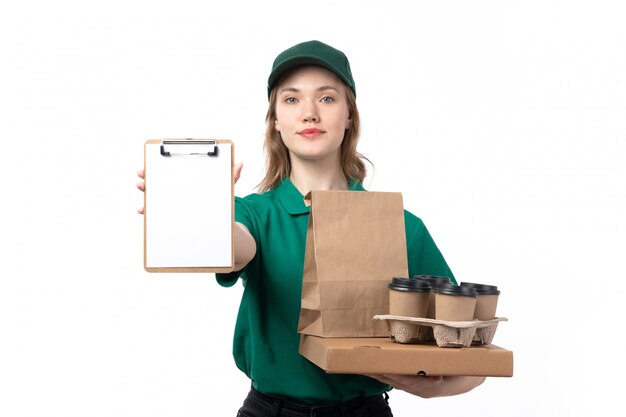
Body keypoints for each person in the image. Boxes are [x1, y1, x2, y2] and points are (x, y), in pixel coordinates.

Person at [137, 40, 485, 417]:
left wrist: (437, 389)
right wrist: (201, 215)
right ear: (275, 121)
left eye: (327, 98)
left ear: (350, 115)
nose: (309, 114)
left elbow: (470, 349)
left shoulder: (401, 226)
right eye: (291, 100)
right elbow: (233, 246)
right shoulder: (252, 215)